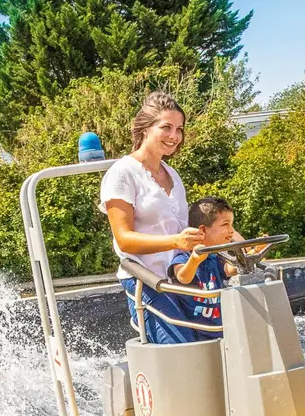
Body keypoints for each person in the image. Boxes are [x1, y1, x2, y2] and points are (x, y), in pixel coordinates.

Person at [101, 91, 204, 345]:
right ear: (145, 129)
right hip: (146, 281)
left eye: (179, 129)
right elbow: (124, 240)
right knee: (183, 350)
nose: (174, 136)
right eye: (166, 127)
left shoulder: (173, 174)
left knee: (213, 340)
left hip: (179, 278)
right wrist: (176, 242)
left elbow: (184, 231)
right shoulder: (122, 174)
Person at [169, 197, 239, 340]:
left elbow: (230, 269)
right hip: (199, 334)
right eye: (226, 224)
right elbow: (183, 276)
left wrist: (252, 255)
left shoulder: (215, 258)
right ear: (202, 230)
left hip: (220, 330)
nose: (231, 231)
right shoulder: (183, 258)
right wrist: (194, 260)